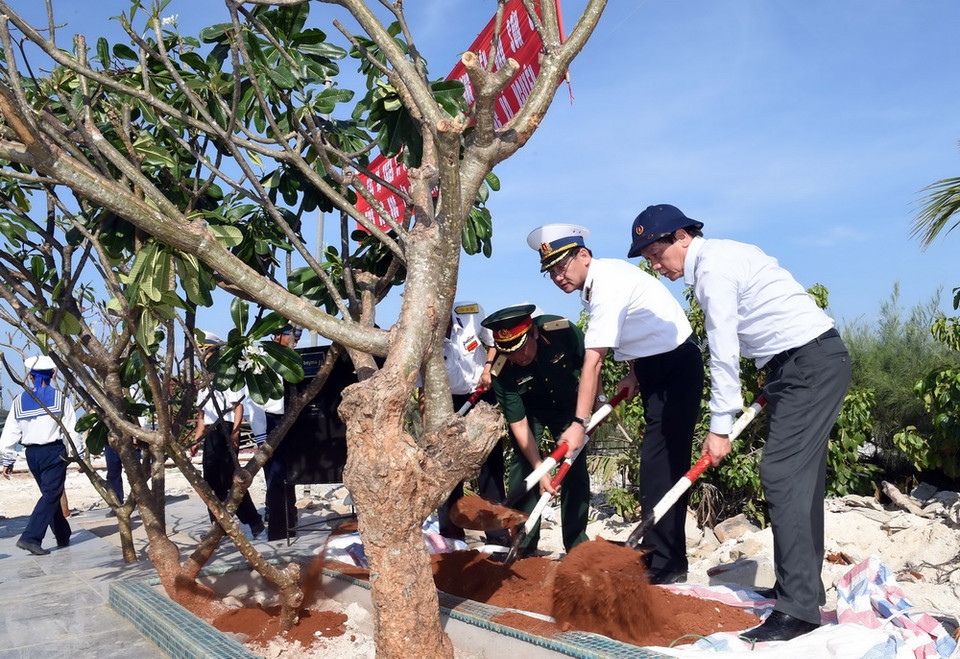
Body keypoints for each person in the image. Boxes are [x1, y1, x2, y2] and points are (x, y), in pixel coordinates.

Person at [630, 203, 851, 642]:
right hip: (796, 365)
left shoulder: (714, 269)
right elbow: (772, 323)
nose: (655, 265)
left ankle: (799, 610)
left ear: (682, 237)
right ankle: (802, 588)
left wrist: (719, 426)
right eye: (648, 259)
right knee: (799, 478)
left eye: (656, 253)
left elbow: (724, 349)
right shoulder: (722, 258)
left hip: (809, 362)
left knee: (781, 475)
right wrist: (774, 374)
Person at [527, 224, 704, 584]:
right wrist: (636, 374)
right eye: (552, 272)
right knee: (655, 467)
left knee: (662, 468)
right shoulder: (599, 283)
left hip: (676, 369)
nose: (559, 276)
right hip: (656, 365)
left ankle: (667, 564)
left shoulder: (606, 285)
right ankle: (658, 556)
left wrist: (579, 423)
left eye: (563, 266)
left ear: (584, 255)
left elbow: (593, 361)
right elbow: (645, 327)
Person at [481, 304, 588, 555]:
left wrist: (596, 402)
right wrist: (541, 471)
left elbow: (590, 363)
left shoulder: (561, 330)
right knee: (524, 468)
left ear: (535, 333)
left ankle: (577, 545)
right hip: (532, 412)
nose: (519, 357)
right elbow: (518, 424)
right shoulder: (501, 370)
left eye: (521, 348)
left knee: (574, 467)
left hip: (570, 405)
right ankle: (525, 545)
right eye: (510, 353)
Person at [434, 301, 508, 547]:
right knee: (448, 470)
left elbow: (496, 342)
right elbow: (424, 393)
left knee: (491, 465)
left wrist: (488, 369)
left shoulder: (472, 312)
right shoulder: (422, 334)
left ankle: (497, 537)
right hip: (447, 404)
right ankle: (452, 536)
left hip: (481, 395)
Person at [1, 355, 82, 555]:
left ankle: (63, 533)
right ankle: (30, 537)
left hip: (31, 454)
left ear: (29, 377)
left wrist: (8, 459)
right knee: (51, 494)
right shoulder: (60, 399)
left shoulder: (19, 401)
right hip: (53, 451)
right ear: (53, 375)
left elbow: (10, 432)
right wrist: (78, 454)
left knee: (49, 495)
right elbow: (73, 430)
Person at [194, 332, 265, 539]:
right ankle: (218, 525)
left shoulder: (227, 378)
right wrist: (197, 441)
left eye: (207, 353)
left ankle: (252, 520)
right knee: (210, 482)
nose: (204, 357)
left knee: (231, 480)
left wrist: (235, 432)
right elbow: (201, 416)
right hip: (210, 434)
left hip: (225, 431)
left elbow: (238, 407)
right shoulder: (203, 384)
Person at [247, 325, 302, 541]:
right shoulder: (261, 360)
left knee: (291, 473)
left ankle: (291, 519)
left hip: (292, 421)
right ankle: (279, 529)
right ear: (277, 335)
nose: (294, 340)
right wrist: (261, 437)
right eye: (291, 335)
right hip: (272, 421)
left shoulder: (295, 359)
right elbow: (254, 401)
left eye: (297, 336)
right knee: (275, 478)